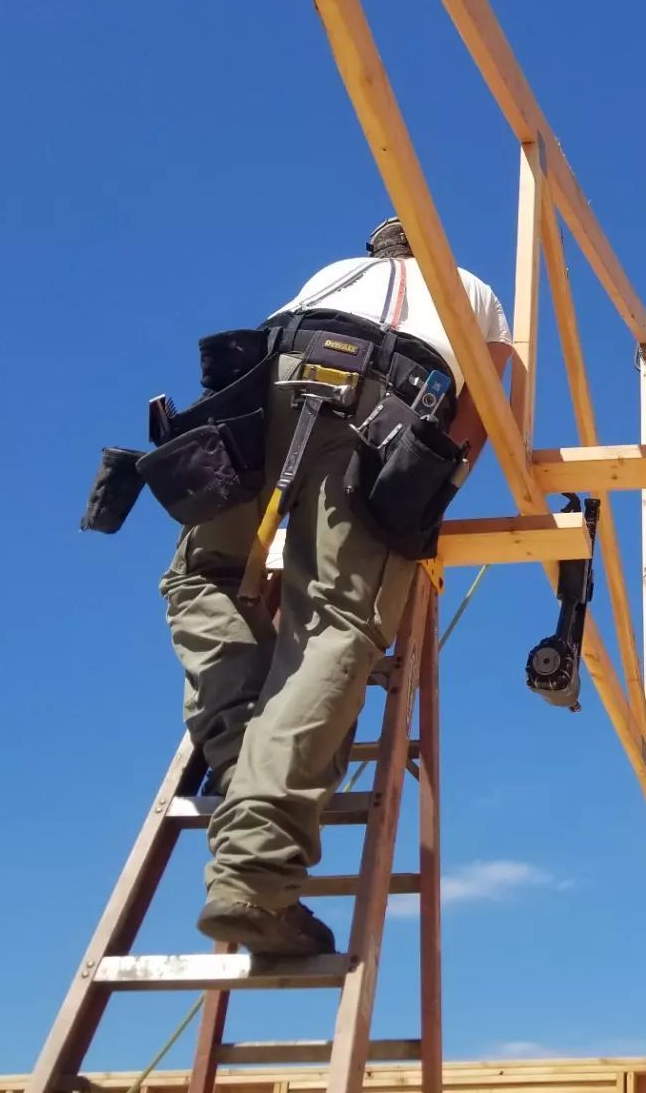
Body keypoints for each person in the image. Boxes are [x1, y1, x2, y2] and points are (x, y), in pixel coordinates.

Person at [161, 216, 513, 956]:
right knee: (337, 620)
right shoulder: (468, 288)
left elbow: (254, 370)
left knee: (202, 574)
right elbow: (490, 392)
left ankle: (241, 760)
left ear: (380, 245)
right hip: (390, 399)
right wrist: (432, 484)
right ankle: (256, 864)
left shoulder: (329, 275)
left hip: (275, 382)